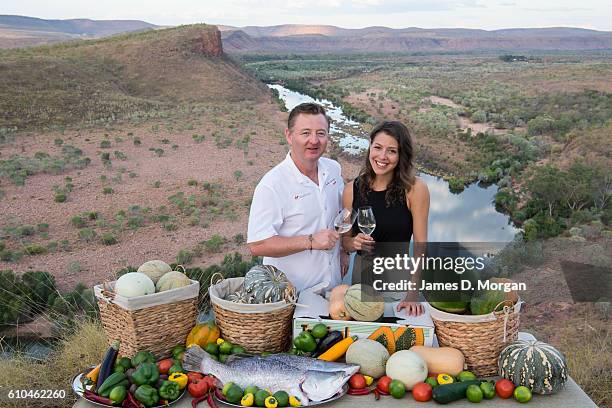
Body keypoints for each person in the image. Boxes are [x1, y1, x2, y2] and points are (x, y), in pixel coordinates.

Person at [247, 103, 348, 293]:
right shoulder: (272, 185)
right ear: (289, 135)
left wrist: (344, 249)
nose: (314, 140)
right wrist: (310, 241)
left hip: (333, 291)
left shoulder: (333, 169)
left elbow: (341, 214)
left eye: (321, 133)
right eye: (305, 133)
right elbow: (257, 245)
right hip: (292, 295)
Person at [342, 121, 430, 316]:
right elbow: (345, 243)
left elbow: (420, 246)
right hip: (361, 285)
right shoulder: (351, 190)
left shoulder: (415, 190)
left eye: (391, 151)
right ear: (370, 148)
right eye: (378, 147)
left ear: (401, 155)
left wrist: (413, 293)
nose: (382, 157)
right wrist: (354, 243)